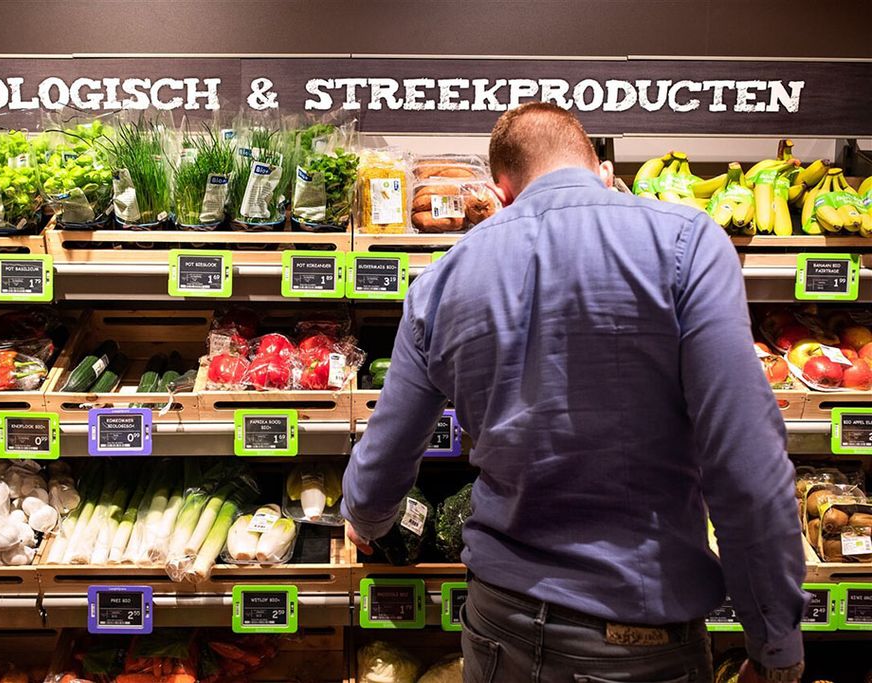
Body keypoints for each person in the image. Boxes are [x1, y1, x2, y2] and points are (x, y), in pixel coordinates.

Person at [341, 102, 807, 683]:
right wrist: (774, 640)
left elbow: (384, 460)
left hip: (496, 628)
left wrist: (369, 517)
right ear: (605, 173)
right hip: (639, 641)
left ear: (500, 194)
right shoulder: (688, 246)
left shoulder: (440, 282)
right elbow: (746, 465)